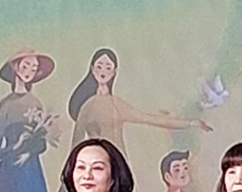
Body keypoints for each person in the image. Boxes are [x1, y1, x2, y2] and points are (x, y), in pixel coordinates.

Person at [67, 48, 212, 157]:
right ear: (92, 69)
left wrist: (190, 123)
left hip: (120, 165)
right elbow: (75, 145)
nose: (103, 71)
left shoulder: (117, 105)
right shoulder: (87, 107)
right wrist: (65, 185)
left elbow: (152, 119)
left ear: (114, 71)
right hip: (98, 163)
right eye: (99, 67)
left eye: (108, 67)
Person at [0, 47, 56, 192]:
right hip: (10, 174)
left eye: (33, 68)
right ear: (15, 67)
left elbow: (41, 146)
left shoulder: (35, 103)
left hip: (32, 173)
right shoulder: (6, 105)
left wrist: (37, 141)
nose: (29, 72)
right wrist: (17, 147)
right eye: (26, 66)